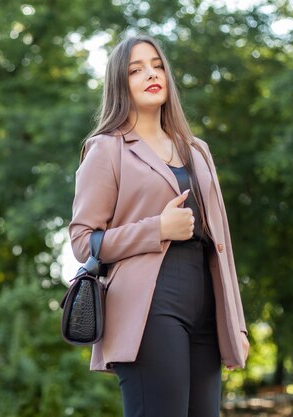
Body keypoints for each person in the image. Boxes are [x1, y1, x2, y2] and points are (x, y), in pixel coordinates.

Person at [68, 34, 250, 417]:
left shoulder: (196, 149)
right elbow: (84, 242)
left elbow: (223, 244)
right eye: (136, 69)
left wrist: (234, 325)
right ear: (121, 83)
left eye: (157, 65)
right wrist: (158, 228)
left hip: (205, 298)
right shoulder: (107, 148)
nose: (151, 74)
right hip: (147, 302)